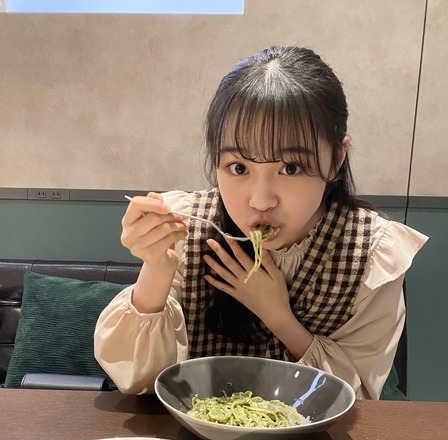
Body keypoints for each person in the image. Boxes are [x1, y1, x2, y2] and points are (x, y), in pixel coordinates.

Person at [94, 45, 427, 399]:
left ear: (336, 158)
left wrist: (278, 317)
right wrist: (157, 266)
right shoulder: (189, 228)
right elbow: (140, 382)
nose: (261, 200)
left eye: (291, 168)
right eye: (239, 168)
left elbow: (357, 398)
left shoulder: (371, 252)